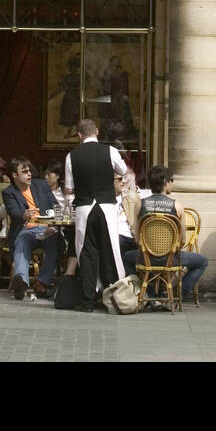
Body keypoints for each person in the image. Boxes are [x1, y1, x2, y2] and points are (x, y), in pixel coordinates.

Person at [64, 117, 127, 312]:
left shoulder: (71, 155)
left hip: (84, 207)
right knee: (111, 251)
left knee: (86, 253)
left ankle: (87, 301)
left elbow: (68, 188)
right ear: (97, 131)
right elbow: (122, 170)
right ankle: (115, 298)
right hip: (107, 205)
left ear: (79, 135)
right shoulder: (111, 151)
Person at [130, 165, 208, 305]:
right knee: (202, 261)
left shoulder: (140, 205)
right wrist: (171, 251)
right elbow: (183, 239)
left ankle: (148, 294)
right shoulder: (177, 206)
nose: (173, 183)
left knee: (125, 257)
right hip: (170, 259)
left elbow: (137, 239)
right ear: (165, 182)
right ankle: (177, 294)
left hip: (145, 257)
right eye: (171, 180)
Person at [2, 157, 60, 299]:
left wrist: (51, 219)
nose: (29, 174)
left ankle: (42, 282)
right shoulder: (9, 192)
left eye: (29, 171)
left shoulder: (41, 185)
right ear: (15, 175)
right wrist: (23, 215)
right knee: (22, 241)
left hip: (46, 228)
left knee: (57, 242)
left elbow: (54, 205)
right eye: (24, 172)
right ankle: (21, 282)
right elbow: (14, 213)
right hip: (26, 229)